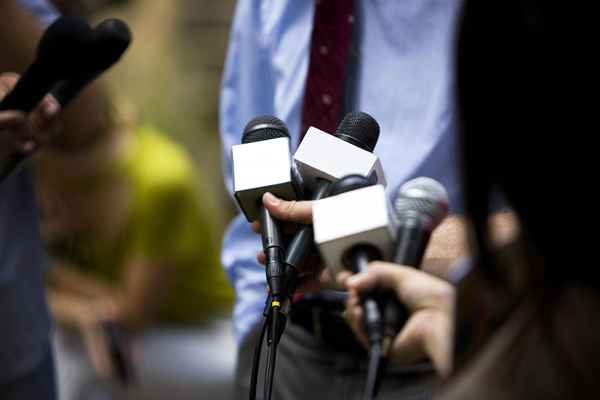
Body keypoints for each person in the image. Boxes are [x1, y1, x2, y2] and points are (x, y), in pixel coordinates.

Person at [219, 1, 516, 398]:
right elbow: (249, 146)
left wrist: (414, 242)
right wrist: (253, 332)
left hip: (449, 345)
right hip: (285, 346)